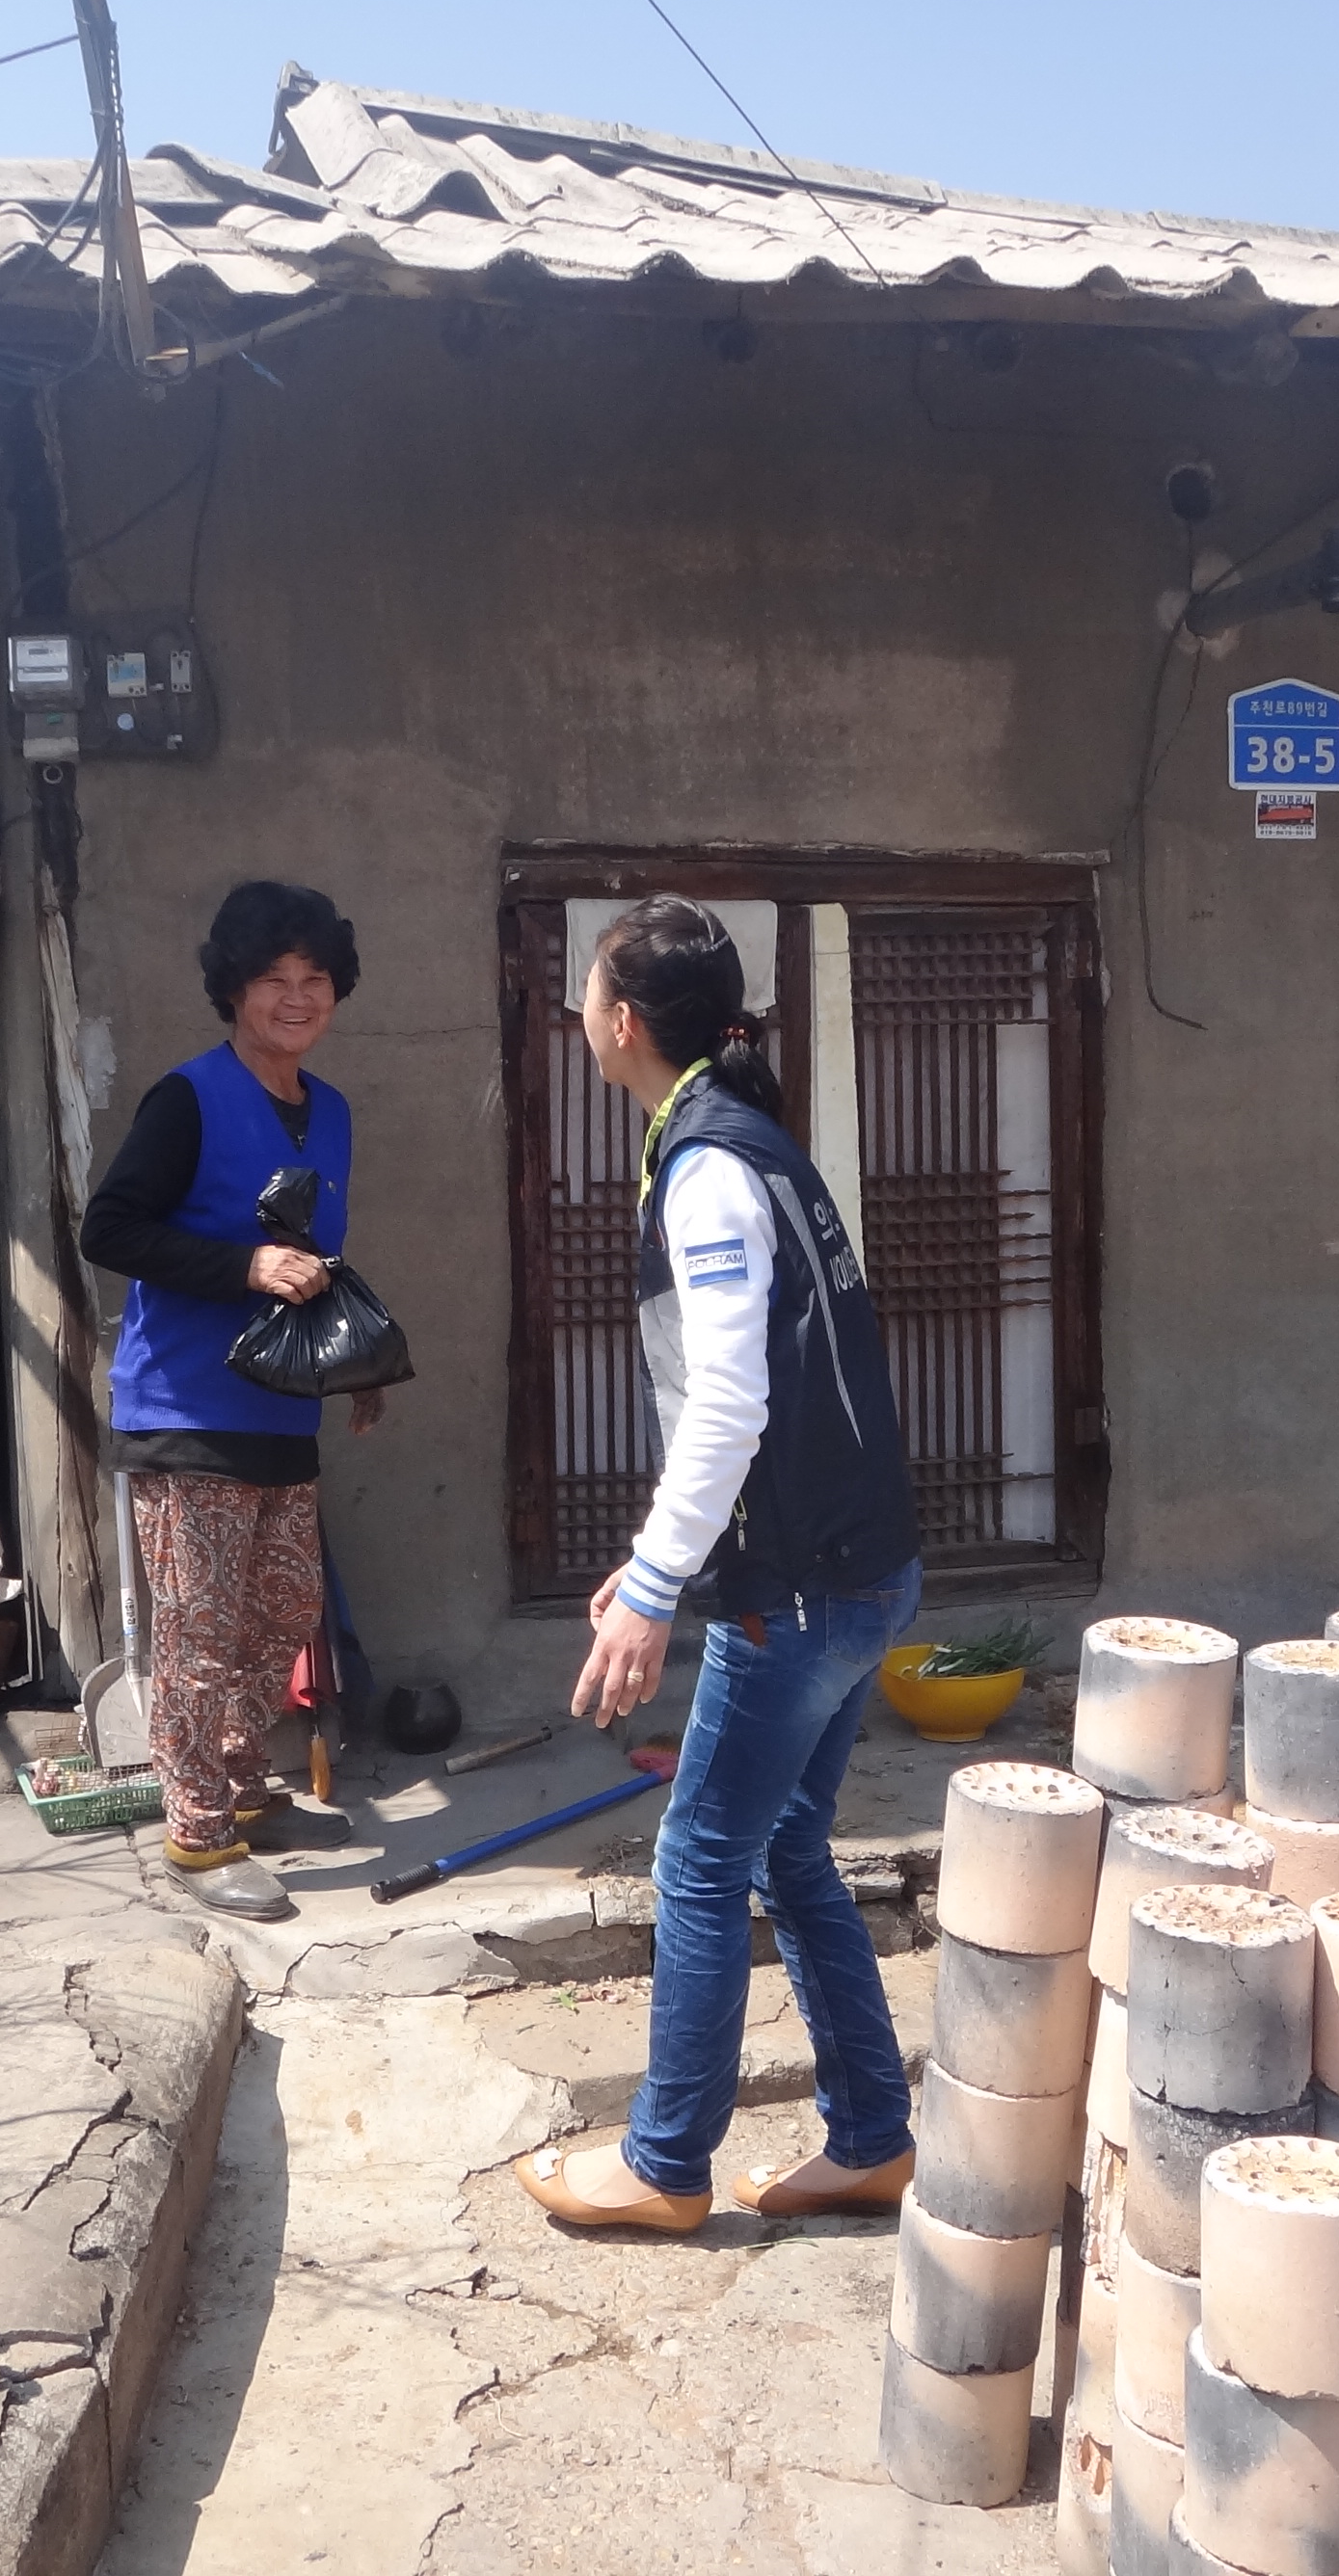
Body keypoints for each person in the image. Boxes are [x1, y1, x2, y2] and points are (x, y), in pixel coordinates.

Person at [513, 895, 924, 2230]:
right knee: (788, 1843)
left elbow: (730, 1404)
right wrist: (657, 1555)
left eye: (587, 989)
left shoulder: (707, 1168)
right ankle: (871, 2140)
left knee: (699, 1858)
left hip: (798, 1594)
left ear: (622, 1021)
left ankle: (663, 2165)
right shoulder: (748, 1143)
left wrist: (650, 1586)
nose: (580, 1008)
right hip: (862, 1570)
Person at [79, 880, 381, 1919]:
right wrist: (243, 1266)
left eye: (315, 979)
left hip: (281, 1406)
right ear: (234, 990)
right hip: (184, 1408)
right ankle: (197, 1836)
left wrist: (357, 1367)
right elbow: (110, 1229)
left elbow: (318, 1262)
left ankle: (244, 1785)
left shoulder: (330, 1112)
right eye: (273, 979)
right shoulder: (188, 1099)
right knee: (201, 1635)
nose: (297, 998)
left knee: (285, 1612)